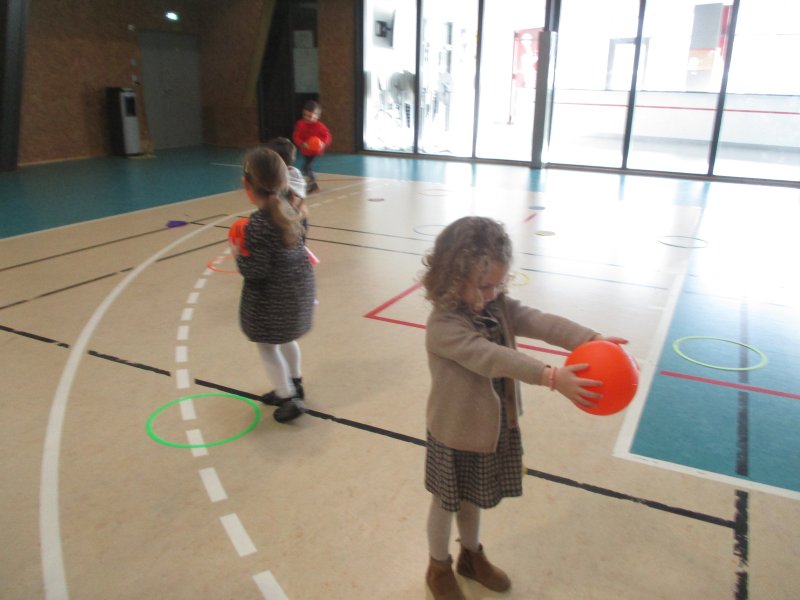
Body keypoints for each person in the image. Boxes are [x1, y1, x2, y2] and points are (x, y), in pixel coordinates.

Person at [421, 216, 627, 599]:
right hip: (453, 431)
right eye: (484, 285)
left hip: (488, 428)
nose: (492, 293)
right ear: (452, 278)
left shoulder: (495, 304)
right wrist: (551, 376)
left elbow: (536, 320)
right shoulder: (443, 326)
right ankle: (438, 567)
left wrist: (591, 340)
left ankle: (471, 556)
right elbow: (490, 357)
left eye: (498, 285)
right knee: (445, 502)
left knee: (472, 499)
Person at [231, 146, 316, 423]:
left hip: (272, 302)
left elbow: (255, 271)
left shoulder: (258, 224)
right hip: (297, 294)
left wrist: (238, 253)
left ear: (247, 185)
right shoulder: (293, 210)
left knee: (267, 347)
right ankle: (295, 382)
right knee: (287, 339)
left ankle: (287, 396)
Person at [264, 136, 308, 239]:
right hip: (287, 218)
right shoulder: (293, 172)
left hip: (289, 219)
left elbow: (298, 198)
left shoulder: (289, 175)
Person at [292, 99, 332, 194]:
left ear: (317, 116)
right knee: (307, 167)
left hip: (315, 151)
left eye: (310, 116)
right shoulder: (300, 124)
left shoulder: (320, 127)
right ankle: (313, 181)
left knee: (306, 167)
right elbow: (296, 136)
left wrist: (323, 143)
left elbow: (327, 137)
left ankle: (314, 185)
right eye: (305, 115)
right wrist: (302, 143)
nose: (307, 118)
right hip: (305, 150)